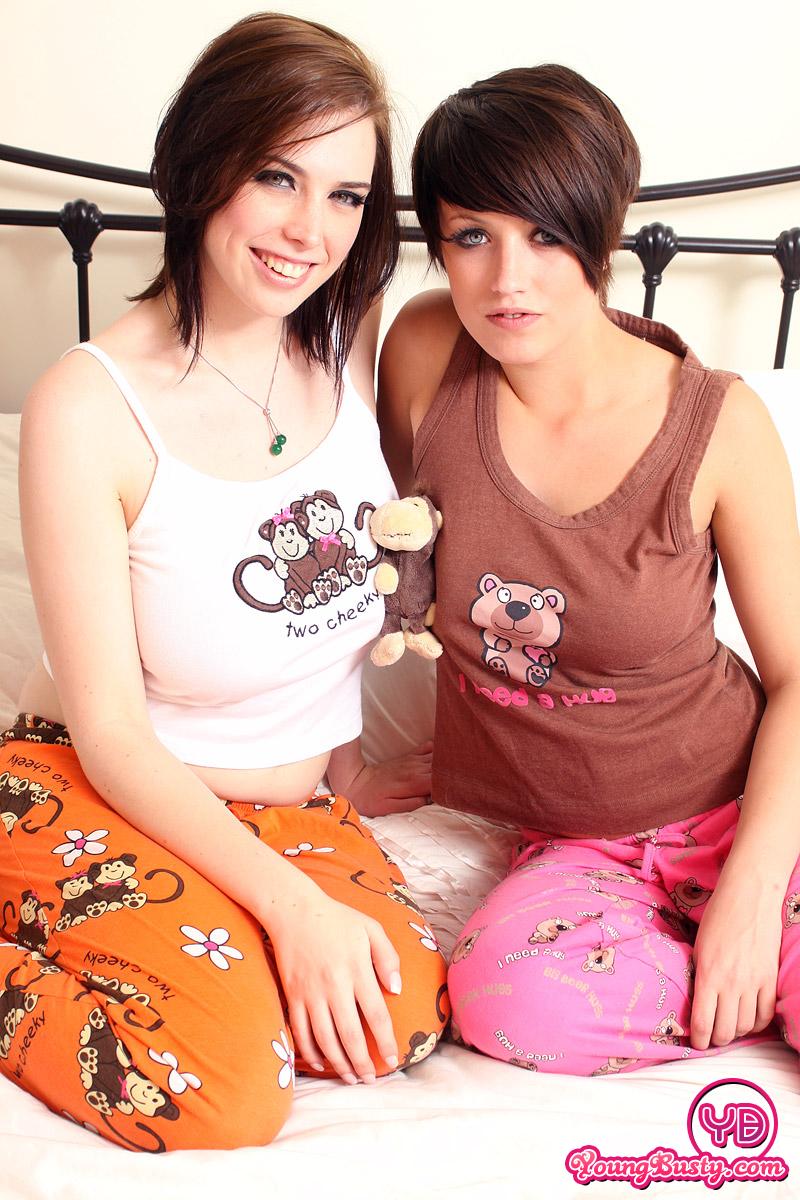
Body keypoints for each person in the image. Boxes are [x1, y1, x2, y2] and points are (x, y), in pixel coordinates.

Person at [0, 12, 447, 1153]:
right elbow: (112, 733)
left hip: (293, 812)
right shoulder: (88, 407)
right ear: (204, 166)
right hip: (104, 788)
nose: (310, 231)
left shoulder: (345, 336)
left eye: (346, 196)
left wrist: (347, 784)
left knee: (391, 1013)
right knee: (217, 1091)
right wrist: (288, 909)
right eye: (276, 176)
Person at [378, 64, 800, 1077]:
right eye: (470, 236)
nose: (505, 279)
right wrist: (366, 760)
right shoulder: (425, 353)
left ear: (602, 233)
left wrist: (749, 897)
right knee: (507, 1005)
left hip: (744, 807)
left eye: (544, 235)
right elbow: (387, 555)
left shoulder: (718, 422)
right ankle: (733, 992)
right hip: (574, 847)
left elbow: (796, 676)